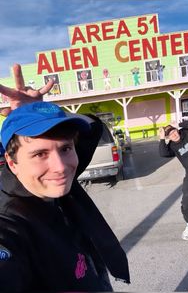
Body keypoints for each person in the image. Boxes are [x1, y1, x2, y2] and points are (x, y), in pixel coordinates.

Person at [0, 64, 130, 292]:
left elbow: (93, 128)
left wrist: (37, 110)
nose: (60, 167)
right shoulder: (11, 223)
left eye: (65, 148)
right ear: (12, 163)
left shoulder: (46, 184)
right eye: (40, 154)